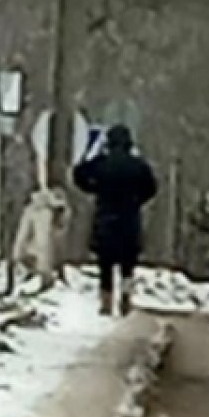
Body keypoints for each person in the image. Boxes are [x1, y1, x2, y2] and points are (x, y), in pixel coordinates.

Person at [73, 125, 158, 316]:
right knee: (128, 264)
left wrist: (93, 188)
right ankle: (126, 298)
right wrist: (137, 200)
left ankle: (106, 302)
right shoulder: (138, 165)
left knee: (105, 264)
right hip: (129, 219)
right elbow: (152, 187)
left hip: (106, 219)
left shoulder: (101, 163)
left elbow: (78, 175)